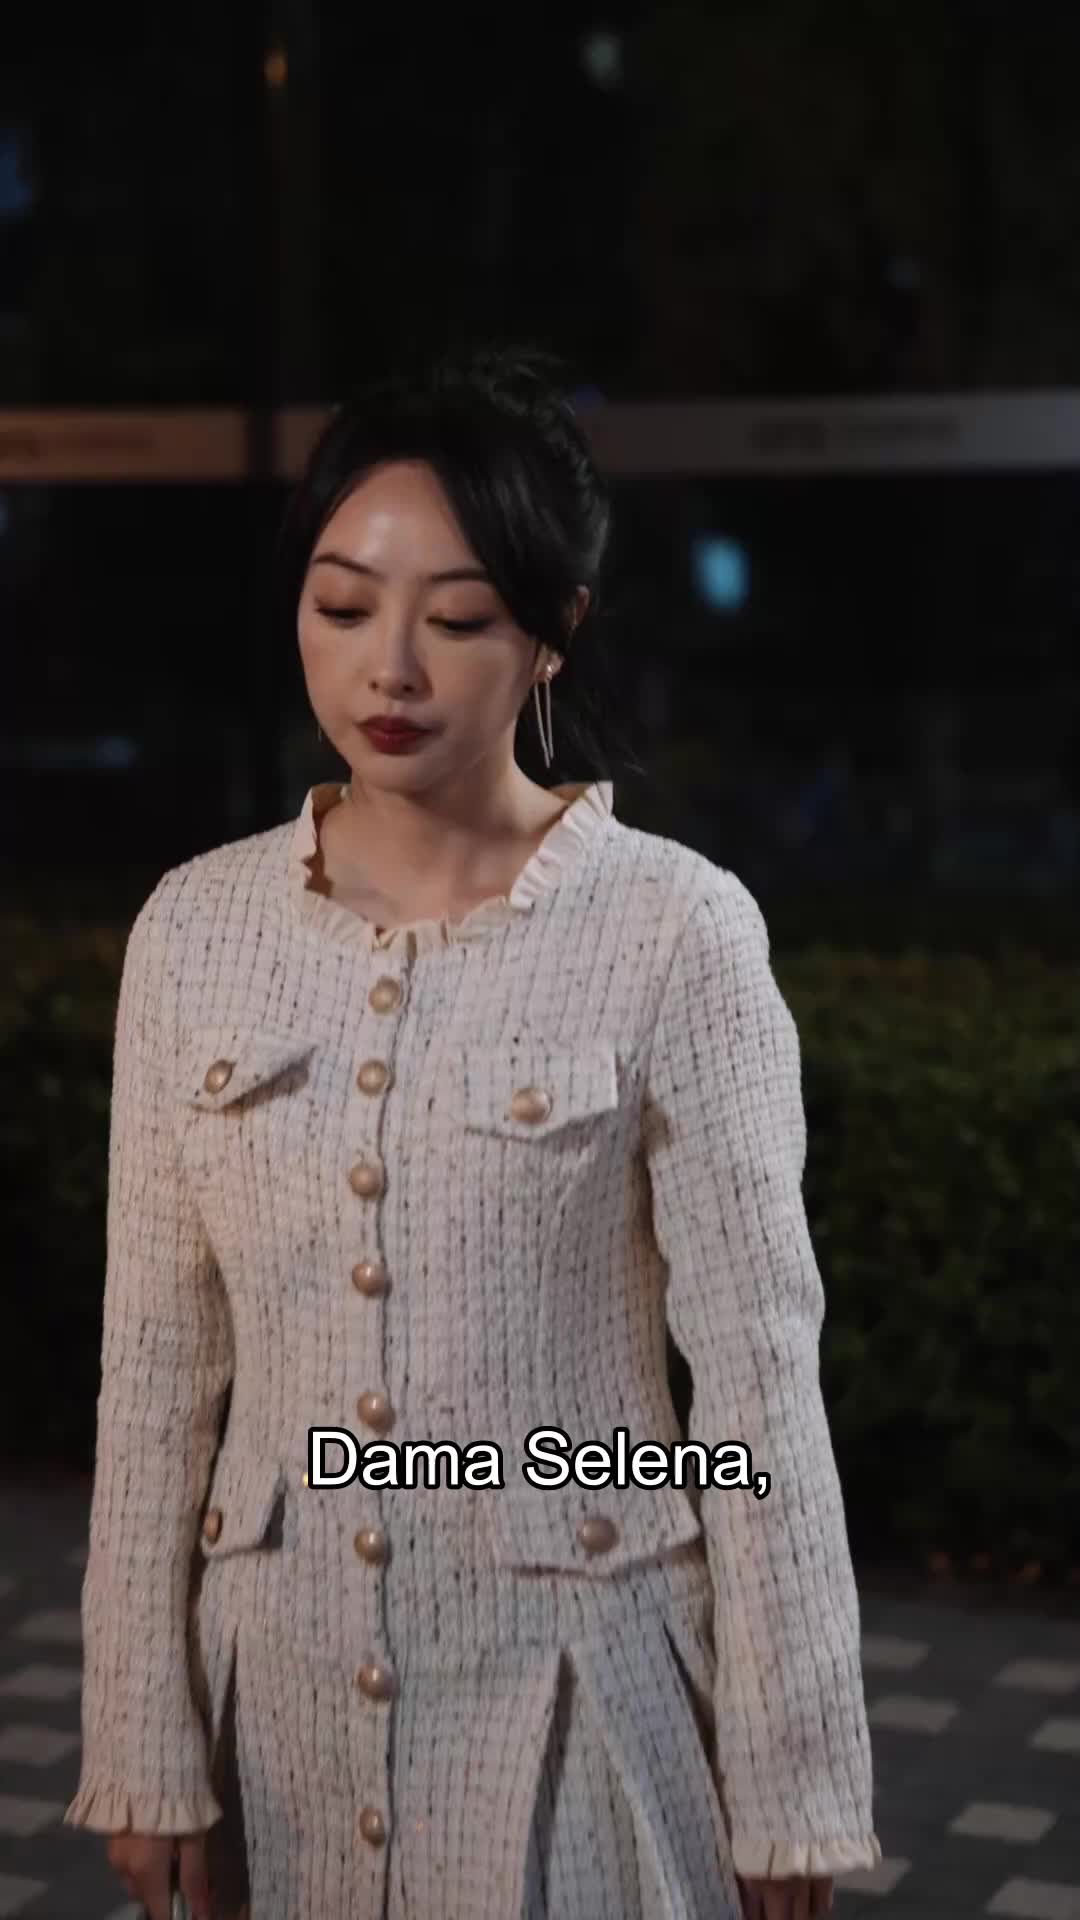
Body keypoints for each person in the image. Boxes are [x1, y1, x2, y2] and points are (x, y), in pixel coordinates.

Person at [64, 341, 881, 1920]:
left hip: (578, 1692)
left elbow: (759, 1382)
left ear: (553, 630)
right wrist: (143, 1737)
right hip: (274, 1708)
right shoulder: (194, 931)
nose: (390, 669)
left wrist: (794, 1788)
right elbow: (155, 1370)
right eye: (341, 606)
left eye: (455, 621)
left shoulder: (674, 931)